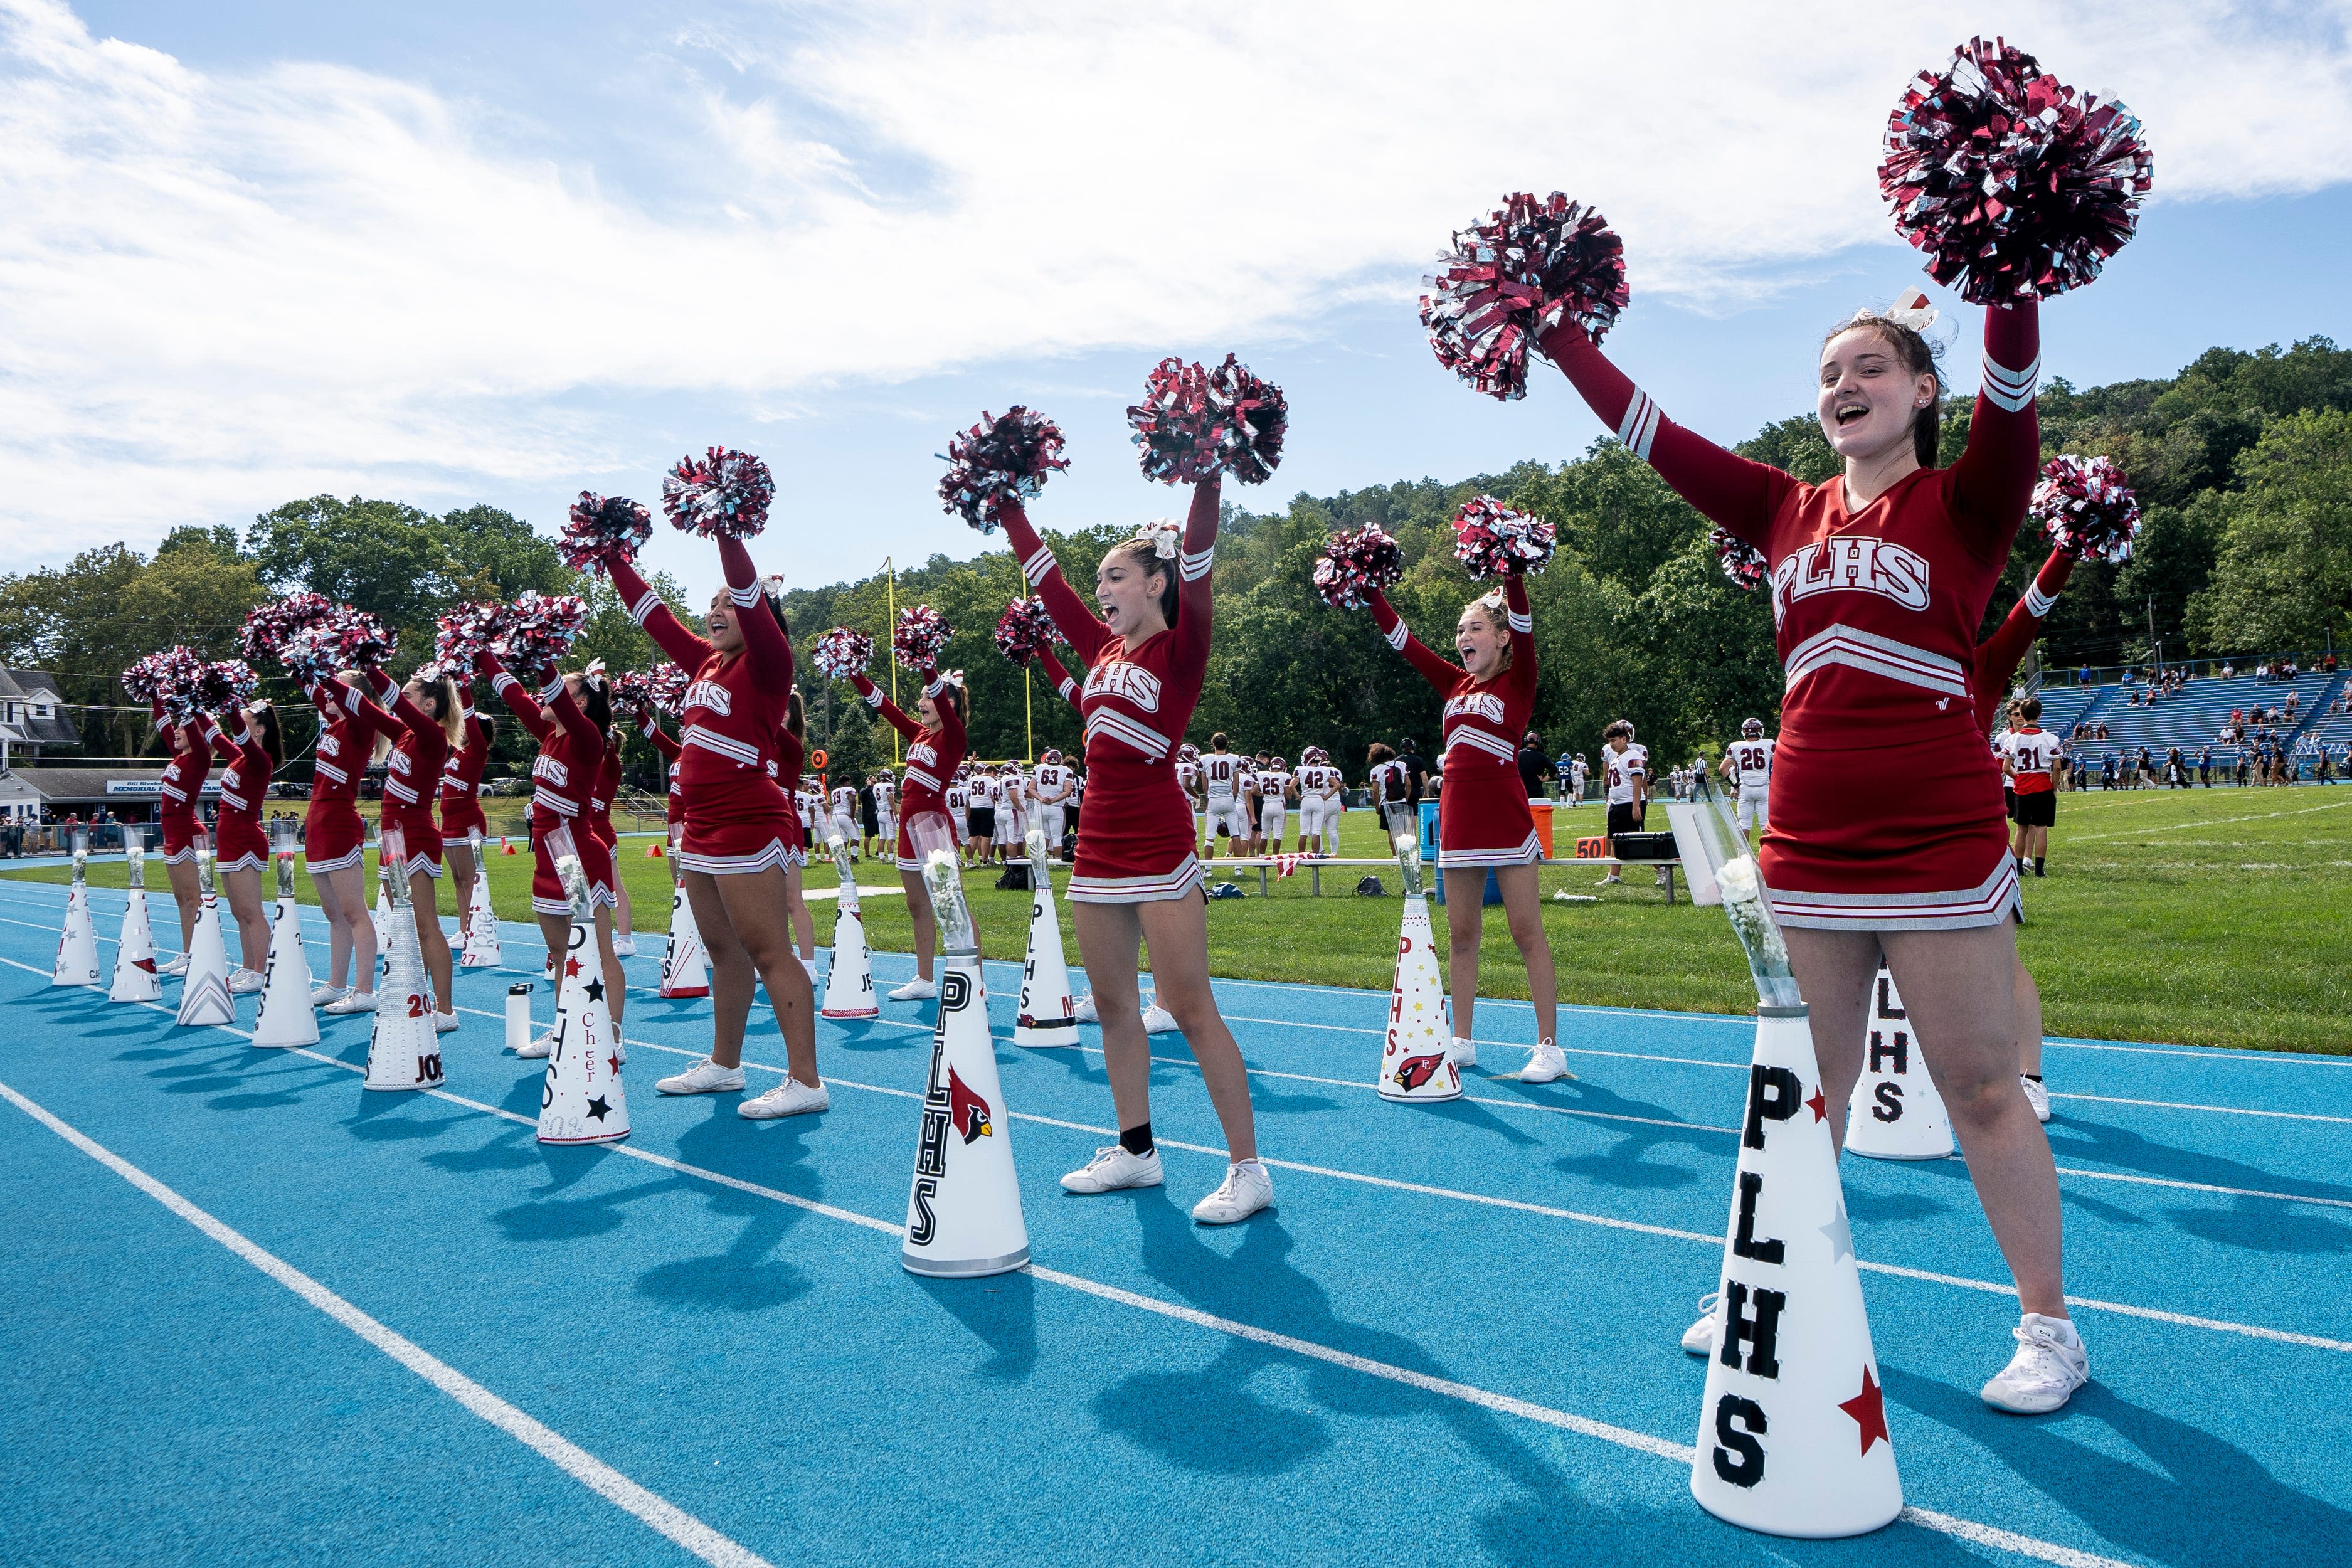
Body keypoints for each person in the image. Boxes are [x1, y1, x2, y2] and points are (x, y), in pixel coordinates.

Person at [1545, 282, 2083, 1411]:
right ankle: (1761, 1277)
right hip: (1809, 842)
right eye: (1831, 373)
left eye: (1872, 368)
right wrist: (1557, 336)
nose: (1846, 386)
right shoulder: (1783, 509)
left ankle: (2049, 1328)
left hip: (1938, 838)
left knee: (1981, 1087)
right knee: (1800, 1090)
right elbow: (1656, 436)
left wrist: (2015, 270)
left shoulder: (1968, 502)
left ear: (1924, 390)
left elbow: (2016, 398)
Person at [994, 470, 1271, 1223]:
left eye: (1116, 576)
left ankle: (1248, 1169)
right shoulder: (1100, 651)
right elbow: (1048, 587)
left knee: (1187, 1005)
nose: (1103, 590)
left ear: (1157, 582)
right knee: (1114, 1007)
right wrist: (1009, 507)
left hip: (1159, 846)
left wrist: (1209, 475)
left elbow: (1203, 556)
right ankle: (1137, 1152)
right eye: (1100, 581)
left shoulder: (1181, 650)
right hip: (1098, 849)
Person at [604, 536, 823, 1119]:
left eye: (730, 604)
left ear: (759, 618)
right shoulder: (705, 660)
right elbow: (653, 615)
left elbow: (749, 592)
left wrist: (726, 528)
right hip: (699, 826)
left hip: (748, 820)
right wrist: (610, 556)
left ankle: (806, 1081)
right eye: (712, 604)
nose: (716, 611)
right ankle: (726, 1065)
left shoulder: (770, 665)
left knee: (768, 950)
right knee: (723, 951)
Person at [1362, 573, 1566, 1081]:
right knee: (1461, 935)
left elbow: (1524, 622)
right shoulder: (1454, 682)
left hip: (1506, 818)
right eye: (1459, 630)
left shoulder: (1517, 681)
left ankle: (1549, 1047)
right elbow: (1404, 642)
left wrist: (1515, 574)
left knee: (1526, 931)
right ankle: (1463, 1040)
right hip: (1457, 820)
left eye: (1473, 628)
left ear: (1499, 638)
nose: (1462, 637)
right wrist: (1371, 594)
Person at [479, 649, 623, 1050]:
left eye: (561, 694)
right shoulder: (549, 735)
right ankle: (568, 1029)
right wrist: (483, 654)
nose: (542, 699)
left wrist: (541, 650)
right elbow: (514, 696)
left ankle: (612, 1034)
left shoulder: (587, 739)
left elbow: (552, 694)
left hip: (578, 858)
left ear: (577, 703)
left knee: (598, 950)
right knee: (561, 953)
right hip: (547, 857)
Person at [836, 652, 970, 1001]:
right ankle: (925, 979)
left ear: (948, 702)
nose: (921, 702)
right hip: (909, 828)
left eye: (928, 697)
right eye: (923, 697)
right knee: (918, 906)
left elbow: (937, 689)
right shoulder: (919, 735)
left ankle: (973, 978)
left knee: (952, 906)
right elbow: (884, 707)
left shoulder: (953, 736)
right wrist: (855, 673)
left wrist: (926, 656)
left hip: (934, 827)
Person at [347, 663, 465, 1028]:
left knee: (425, 924)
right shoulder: (405, 735)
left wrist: (370, 661)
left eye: (411, 695)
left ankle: (445, 1009)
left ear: (428, 704)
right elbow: (364, 707)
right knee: (404, 927)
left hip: (415, 834)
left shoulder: (431, 736)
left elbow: (393, 699)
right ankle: (418, 997)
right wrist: (318, 675)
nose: (400, 701)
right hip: (392, 838)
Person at [299, 674, 378, 1010]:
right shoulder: (334, 724)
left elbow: (342, 696)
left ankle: (364, 991)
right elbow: (313, 687)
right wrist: (300, 661)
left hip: (339, 822)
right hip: (317, 822)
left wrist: (328, 671)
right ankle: (336, 984)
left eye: (336, 689)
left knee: (353, 911)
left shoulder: (361, 726)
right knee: (333, 912)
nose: (326, 694)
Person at [211, 701, 282, 993]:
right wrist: (193, 704)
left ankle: (262, 968)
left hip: (244, 838)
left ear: (259, 729)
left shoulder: (260, 758)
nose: (236, 726)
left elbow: (238, 737)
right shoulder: (240, 757)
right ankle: (248, 964)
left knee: (252, 911)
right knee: (239, 912)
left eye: (243, 721)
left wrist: (227, 701)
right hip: (228, 838)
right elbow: (213, 736)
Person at [148, 698, 216, 977]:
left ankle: (200, 952)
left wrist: (190, 703)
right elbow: (163, 725)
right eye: (177, 727)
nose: (176, 730)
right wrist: (155, 696)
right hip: (172, 833)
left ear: (198, 734)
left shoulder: (201, 758)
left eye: (183, 727)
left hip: (188, 832)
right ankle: (188, 952)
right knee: (180, 899)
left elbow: (189, 723)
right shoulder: (179, 756)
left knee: (193, 899)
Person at [438, 681, 494, 953]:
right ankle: (464, 928)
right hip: (449, 822)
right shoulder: (457, 751)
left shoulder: (478, 751)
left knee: (470, 878)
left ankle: (476, 926)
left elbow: (469, 718)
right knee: (458, 878)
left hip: (467, 819)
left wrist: (464, 688)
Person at [2003, 697, 2061, 878]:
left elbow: (2006, 768)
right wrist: (2054, 787)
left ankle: (2019, 868)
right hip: (2042, 784)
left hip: (2022, 786)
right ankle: (2039, 869)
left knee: (2021, 829)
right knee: (2041, 828)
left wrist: (2018, 777)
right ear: (2040, 715)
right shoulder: (2050, 738)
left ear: (2023, 715)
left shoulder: (2012, 739)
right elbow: (2057, 767)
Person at [1594, 720, 1646, 886]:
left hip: (1630, 802)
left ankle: (1661, 870)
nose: (1611, 745)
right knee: (1614, 839)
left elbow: (1637, 782)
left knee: (1638, 840)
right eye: (1610, 741)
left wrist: (1636, 806)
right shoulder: (1617, 758)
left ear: (1624, 739)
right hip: (1616, 803)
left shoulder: (1634, 756)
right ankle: (1614, 876)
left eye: (1614, 741)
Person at [1719, 718, 1774, 849]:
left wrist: (1735, 785)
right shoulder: (1769, 744)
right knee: (1766, 825)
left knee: (1744, 825)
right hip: (1764, 788)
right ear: (1759, 731)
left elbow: (1723, 769)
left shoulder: (1736, 746)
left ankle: (1743, 859)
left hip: (1745, 789)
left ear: (1745, 732)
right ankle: (1766, 858)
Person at [1200, 734, 1248, 861]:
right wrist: (1233, 797)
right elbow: (1236, 785)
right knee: (1235, 835)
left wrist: (1209, 799)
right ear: (1227, 744)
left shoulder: (1205, 759)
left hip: (1214, 799)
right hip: (1228, 799)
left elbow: (1205, 786)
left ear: (1213, 744)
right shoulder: (1234, 759)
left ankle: (1208, 870)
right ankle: (1238, 868)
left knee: (1210, 837)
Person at [1254, 754, 1296, 855]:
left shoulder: (1262, 774)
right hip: (1278, 805)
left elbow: (1253, 791)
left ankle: (1261, 857)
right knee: (1277, 835)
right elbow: (1288, 796)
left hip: (1267, 805)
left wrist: (1264, 793)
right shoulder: (1285, 776)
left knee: (1264, 834)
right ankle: (1275, 857)